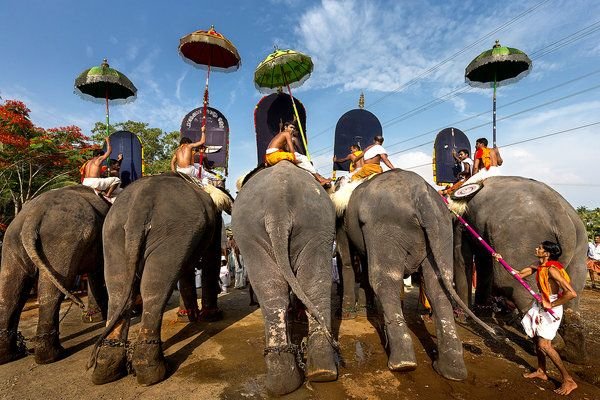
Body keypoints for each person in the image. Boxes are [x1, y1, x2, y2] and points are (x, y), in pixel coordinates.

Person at [493, 241, 578, 395]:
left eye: (540, 248)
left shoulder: (552, 270)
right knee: (535, 338)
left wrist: (551, 304)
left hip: (551, 305)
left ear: (547, 253)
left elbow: (571, 293)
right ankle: (541, 370)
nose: (536, 249)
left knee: (545, 345)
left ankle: (568, 380)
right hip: (540, 303)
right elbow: (518, 275)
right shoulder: (538, 265)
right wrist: (500, 261)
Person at [265, 121, 331, 185]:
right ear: (285, 127)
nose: (292, 130)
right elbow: (291, 149)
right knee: (303, 158)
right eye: (291, 127)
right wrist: (294, 158)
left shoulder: (280, 135)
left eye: (294, 128)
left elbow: (285, 149)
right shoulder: (286, 134)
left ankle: (317, 177)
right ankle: (319, 179)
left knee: (301, 161)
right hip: (274, 155)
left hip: (269, 157)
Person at [82, 136, 122, 202]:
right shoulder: (98, 159)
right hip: (94, 182)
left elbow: (96, 173)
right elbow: (109, 151)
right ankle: (108, 196)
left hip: (85, 182)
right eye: (102, 155)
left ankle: (101, 192)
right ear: (99, 155)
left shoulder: (88, 162)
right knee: (116, 180)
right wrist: (108, 141)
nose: (103, 158)